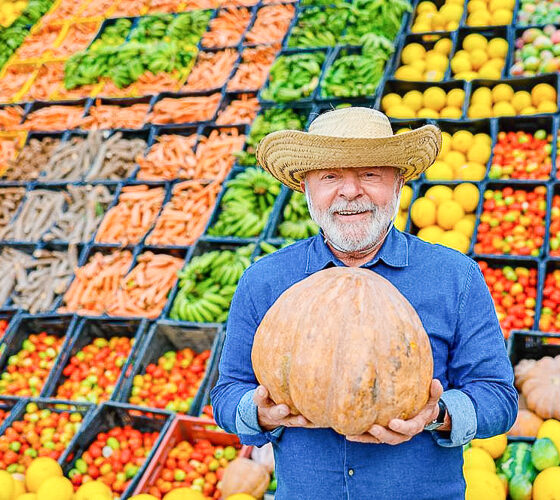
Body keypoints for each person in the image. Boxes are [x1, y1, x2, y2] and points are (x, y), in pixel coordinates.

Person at [211, 107, 518, 500]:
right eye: (330, 176)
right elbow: (227, 393)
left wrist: (437, 415)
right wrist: (258, 413)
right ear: (306, 188)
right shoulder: (264, 280)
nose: (350, 190)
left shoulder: (454, 277)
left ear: (398, 183)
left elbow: (499, 397)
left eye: (370, 173)